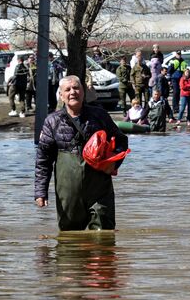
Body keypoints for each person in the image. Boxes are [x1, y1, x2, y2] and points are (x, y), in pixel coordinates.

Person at [34, 75, 129, 231]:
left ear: (83, 92)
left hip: (100, 189)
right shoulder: (52, 121)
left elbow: (121, 141)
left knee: (103, 236)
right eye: (68, 89)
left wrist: (114, 163)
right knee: (70, 240)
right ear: (61, 95)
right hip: (68, 192)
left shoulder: (99, 115)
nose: (73, 92)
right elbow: (43, 160)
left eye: (76, 88)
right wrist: (40, 192)